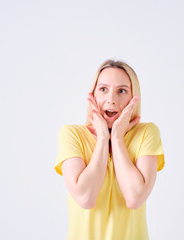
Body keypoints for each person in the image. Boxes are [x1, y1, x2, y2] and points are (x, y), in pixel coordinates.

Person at [55, 59, 164, 240]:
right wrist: (104, 138)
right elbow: (86, 198)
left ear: (133, 99)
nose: (111, 99)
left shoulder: (147, 133)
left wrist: (118, 139)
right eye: (103, 89)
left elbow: (135, 198)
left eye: (122, 91)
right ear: (93, 95)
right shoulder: (71, 134)